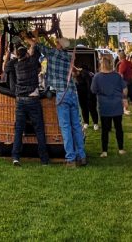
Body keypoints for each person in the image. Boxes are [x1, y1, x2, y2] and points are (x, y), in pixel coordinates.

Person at [42, 35, 86, 167]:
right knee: (76, 126)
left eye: (57, 43)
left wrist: (35, 35)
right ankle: (82, 156)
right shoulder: (69, 57)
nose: (55, 44)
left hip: (62, 94)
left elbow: (37, 45)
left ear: (59, 45)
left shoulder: (52, 53)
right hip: (73, 92)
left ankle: (70, 158)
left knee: (66, 127)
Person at [5, 36, 48, 166]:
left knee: (18, 129)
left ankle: (16, 157)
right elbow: (39, 51)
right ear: (27, 53)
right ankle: (44, 159)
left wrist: (9, 53)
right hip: (33, 98)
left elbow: (6, 67)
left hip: (20, 100)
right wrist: (30, 39)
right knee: (39, 129)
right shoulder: (33, 61)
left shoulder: (15, 64)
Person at [91, 55, 127, 157]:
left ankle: (104, 151)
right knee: (118, 128)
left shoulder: (97, 76)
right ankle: (120, 149)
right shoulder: (117, 76)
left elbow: (93, 90)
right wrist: (124, 99)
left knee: (105, 130)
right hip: (116, 105)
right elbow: (124, 89)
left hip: (104, 106)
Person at [116, 52, 132, 118]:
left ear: (120, 57)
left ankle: (125, 110)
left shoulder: (122, 64)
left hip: (126, 83)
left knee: (124, 97)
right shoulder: (129, 62)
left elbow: (120, 75)